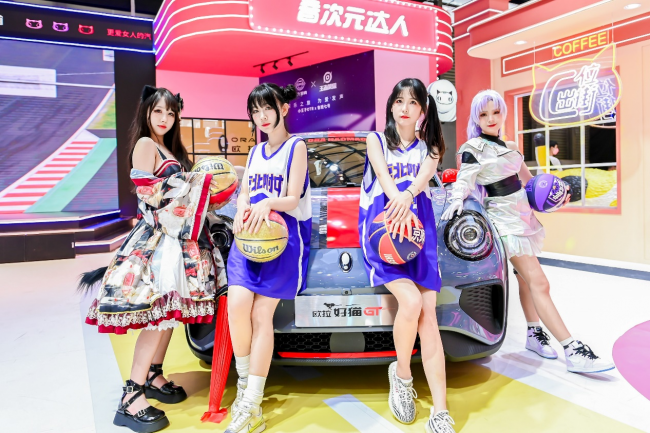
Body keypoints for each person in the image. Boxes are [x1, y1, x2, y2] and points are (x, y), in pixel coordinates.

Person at [78, 85, 227, 433]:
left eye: (171, 113)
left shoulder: (168, 148)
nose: (164, 118)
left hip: (176, 241)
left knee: (170, 314)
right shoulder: (146, 144)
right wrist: (195, 187)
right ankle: (131, 396)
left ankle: (153, 375)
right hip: (159, 242)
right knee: (156, 317)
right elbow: (148, 194)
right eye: (158, 111)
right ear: (146, 112)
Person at [442, 89, 614, 374]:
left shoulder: (510, 146)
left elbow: (530, 183)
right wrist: (457, 198)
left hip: (524, 218)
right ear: (476, 118)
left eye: (496, 112)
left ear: (503, 113)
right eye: (483, 114)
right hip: (505, 223)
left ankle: (534, 334)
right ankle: (573, 350)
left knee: (525, 281)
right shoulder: (473, 148)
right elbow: (464, 180)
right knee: (539, 283)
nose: (491, 118)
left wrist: (556, 196)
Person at [359, 78, 455, 433]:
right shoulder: (375, 139)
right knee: (411, 303)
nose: (404, 108)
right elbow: (383, 176)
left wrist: (410, 193)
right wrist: (399, 197)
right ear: (391, 105)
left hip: (419, 235)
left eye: (413, 102)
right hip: (383, 233)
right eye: (399, 100)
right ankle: (402, 376)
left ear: (422, 110)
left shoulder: (430, 146)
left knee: (428, 319)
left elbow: (425, 176)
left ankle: (441, 410)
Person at [225, 83, 311, 433]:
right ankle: (244, 384)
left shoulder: (296, 146)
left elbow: (293, 198)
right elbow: (245, 191)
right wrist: (241, 207)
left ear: (283, 109)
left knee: (262, 315)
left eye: (267, 108)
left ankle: (252, 405)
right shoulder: (255, 151)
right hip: (248, 238)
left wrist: (267, 203)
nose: (261, 116)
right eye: (255, 110)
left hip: (280, 241)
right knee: (236, 306)